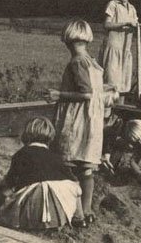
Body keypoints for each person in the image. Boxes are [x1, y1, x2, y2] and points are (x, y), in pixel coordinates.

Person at [46, 19, 104, 225]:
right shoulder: (91, 61)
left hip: (77, 120)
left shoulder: (76, 62)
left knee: (68, 165)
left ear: (68, 40)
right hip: (92, 121)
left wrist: (59, 94)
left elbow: (86, 93)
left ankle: (75, 210)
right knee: (85, 168)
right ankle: (87, 210)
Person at [0, 117, 85, 230]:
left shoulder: (21, 154)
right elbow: (75, 182)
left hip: (33, 209)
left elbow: (9, 184)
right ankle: (78, 218)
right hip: (59, 211)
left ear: (26, 134)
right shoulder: (55, 157)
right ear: (50, 137)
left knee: (8, 196)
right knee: (74, 185)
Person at [100, 0, 139, 101]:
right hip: (113, 48)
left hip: (125, 50)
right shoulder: (113, 5)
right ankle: (106, 115)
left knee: (123, 86)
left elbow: (133, 26)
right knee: (111, 85)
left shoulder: (132, 9)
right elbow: (106, 24)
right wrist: (124, 24)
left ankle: (120, 115)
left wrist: (138, 27)